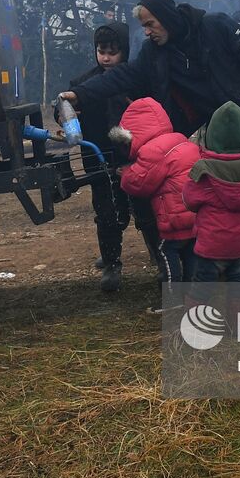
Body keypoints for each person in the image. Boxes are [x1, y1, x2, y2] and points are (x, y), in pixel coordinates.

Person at [64, 0, 240, 281]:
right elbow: (124, 76)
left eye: (150, 24)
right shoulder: (154, 53)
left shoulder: (216, 26)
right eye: (144, 27)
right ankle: (213, 256)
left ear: (168, 17)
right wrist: (80, 95)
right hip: (200, 129)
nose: (147, 32)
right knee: (207, 192)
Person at [64, 22, 162, 291]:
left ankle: (160, 255)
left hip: (136, 158)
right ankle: (111, 262)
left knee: (146, 208)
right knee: (107, 211)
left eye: (113, 51)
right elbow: (67, 114)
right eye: (101, 51)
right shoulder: (82, 85)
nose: (106, 57)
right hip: (99, 159)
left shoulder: (138, 83)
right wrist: (66, 114)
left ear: (125, 51)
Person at [112, 97, 201, 298]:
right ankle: (193, 297)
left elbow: (139, 184)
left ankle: (173, 299)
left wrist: (125, 173)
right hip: (194, 214)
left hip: (174, 218)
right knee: (190, 254)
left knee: (166, 251)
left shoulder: (151, 151)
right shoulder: (179, 139)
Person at [184, 101, 240, 282]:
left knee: (202, 286)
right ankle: (237, 311)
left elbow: (189, 201)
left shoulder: (204, 170)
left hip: (213, 244)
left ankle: (196, 311)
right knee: (238, 278)